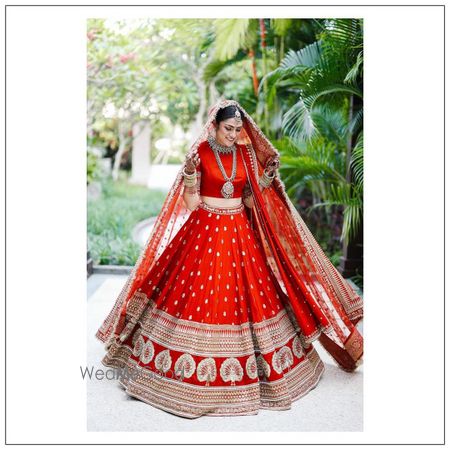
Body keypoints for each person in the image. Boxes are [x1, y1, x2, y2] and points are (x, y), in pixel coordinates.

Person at [95, 99, 364, 419]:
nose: (234, 135)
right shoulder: (200, 155)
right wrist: (192, 175)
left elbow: (250, 202)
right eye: (228, 129)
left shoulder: (246, 155)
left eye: (238, 130)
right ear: (214, 125)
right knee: (194, 297)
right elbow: (191, 204)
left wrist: (264, 181)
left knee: (246, 298)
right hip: (203, 229)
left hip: (239, 232)